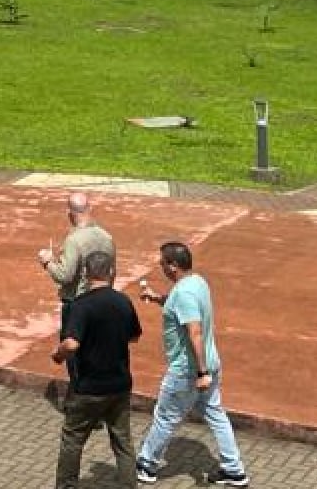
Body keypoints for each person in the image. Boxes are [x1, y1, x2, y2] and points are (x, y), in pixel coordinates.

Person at [135, 240, 249, 486]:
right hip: (208, 363)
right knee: (216, 414)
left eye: (163, 262)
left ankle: (147, 464)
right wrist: (156, 298)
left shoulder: (184, 293)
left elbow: (194, 332)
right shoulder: (197, 283)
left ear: (173, 266)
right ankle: (233, 469)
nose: (160, 265)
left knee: (165, 416)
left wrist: (202, 372)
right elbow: (180, 307)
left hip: (188, 371)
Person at [52, 249, 140, 489]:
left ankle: (66, 486)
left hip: (88, 387)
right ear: (111, 272)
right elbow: (134, 337)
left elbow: (71, 343)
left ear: (86, 274)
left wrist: (58, 355)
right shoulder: (123, 301)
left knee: (73, 439)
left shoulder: (81, 306)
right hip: (120, 384)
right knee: (122, 441)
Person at [37, 192, 115, 321]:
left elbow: (64, 276)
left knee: (73, 341)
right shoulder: (107, 237)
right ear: (90, 208)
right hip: (102, 304)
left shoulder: (74, 240)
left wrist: (47, 262)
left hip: (78, 306)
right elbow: (112, 273)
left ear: (70, 214)